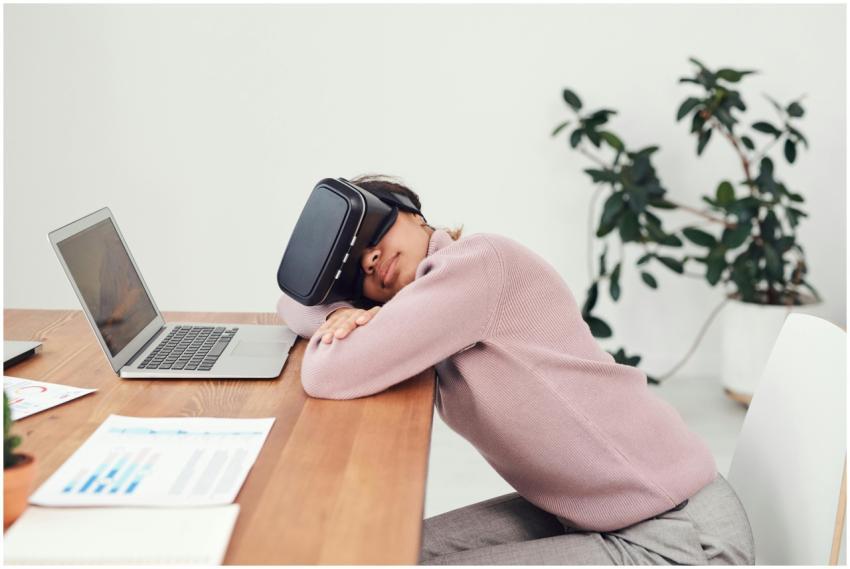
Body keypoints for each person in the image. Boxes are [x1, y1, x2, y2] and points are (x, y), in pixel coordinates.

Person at [276, 174, 756, 565]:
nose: (372, 257)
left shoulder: (476, 264)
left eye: (374, 234)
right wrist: (337, 312)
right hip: (594, 511)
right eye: (356, 269)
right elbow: (289, 304)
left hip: (683, 540)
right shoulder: (424, 314)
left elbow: (325, 374)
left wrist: (341, 319)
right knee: (384, 554)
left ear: (414, 214)